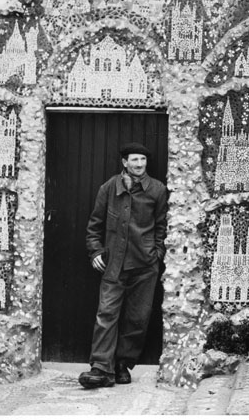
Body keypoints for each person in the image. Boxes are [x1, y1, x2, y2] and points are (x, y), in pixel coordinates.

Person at [78, 142, 169, 389]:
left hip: (144, 265)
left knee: (137, 318)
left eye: (143, 160)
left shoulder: (157, 190)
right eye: (134, 160)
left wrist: (156, 253)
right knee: (106, 313)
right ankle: (100, 367)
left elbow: (162, 226)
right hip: (113, 264)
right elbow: (94, 225)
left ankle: (122, 365)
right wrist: (95, 250)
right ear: (124, 163)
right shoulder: (109, 188)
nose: (139, 164)